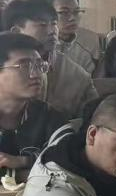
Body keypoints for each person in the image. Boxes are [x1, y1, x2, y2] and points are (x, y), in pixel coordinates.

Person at [6, 0, 97, 118]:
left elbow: (94, 118)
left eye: (54, 23)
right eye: (42, 25)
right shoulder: (5, 67)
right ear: (16, 31)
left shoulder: (77, 76)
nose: (52, 31)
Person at [0, 34, 67, 180]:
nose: (36, 74)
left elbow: (68, 161)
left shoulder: (51, 117)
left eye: (40, 66)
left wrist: (23, 161)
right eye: (25, 66)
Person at [38, 0, 102, 75]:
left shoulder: (89, 42)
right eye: (64, 12)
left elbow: (95, 80)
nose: (72, 18)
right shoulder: (32, 44)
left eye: (76, 12)